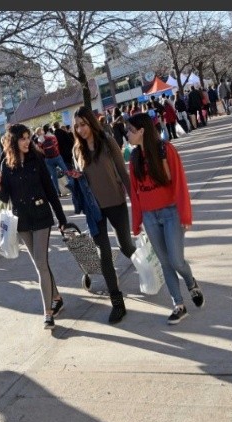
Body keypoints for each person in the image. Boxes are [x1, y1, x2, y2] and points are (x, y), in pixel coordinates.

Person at [125, 112, 205, 325]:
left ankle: (191, 282)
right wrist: (136, 223)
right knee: (165, 262)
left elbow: (180, 183)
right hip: (150, 217)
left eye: (130, 130)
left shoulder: (165, 149)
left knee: (177, 260)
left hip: (171, 213)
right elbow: (135, 192)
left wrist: (185, 214)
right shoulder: (133, 158)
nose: (127, 135)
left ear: (141, 131)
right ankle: (178, 304)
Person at [0, 123, 68, 330]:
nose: (27, 141)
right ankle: (57, 297)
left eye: (28, 137)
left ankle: (48, 312)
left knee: (41, 264)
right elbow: (6, 197)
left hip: (42, 216)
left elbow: (50, 190)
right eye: (23, 138)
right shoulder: (6, 165)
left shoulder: (37, 159)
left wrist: (61, 218)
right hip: (22, 221)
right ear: (13, 141)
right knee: (40, 263)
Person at [71, 106, 137, 324]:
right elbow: (81, 180)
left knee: (126, 246)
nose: (81, 129)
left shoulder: (107, 142)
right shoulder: (76, 151)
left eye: (83, 124)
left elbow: (122, 172)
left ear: (91, 122)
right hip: (94, 209)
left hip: (116, 201)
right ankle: (117, 303)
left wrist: (136, 201)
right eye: (77, 126)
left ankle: (150, 269)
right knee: (104, 255)